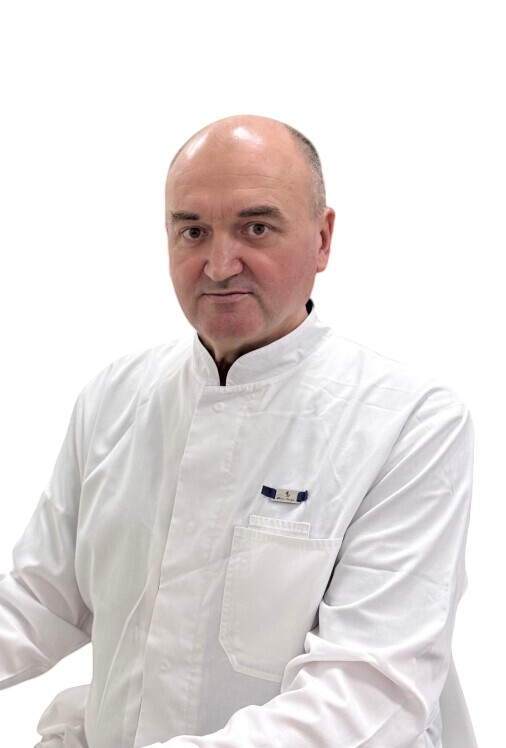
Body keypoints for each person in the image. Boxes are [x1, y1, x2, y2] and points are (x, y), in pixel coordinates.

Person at [0, 115, 477, 748]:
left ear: (323, 239)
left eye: (256, 227)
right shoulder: (115, 395)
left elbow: (366, 695)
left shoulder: (410, 421)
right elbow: (43, 599)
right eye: (192, 231)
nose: (220, 265)